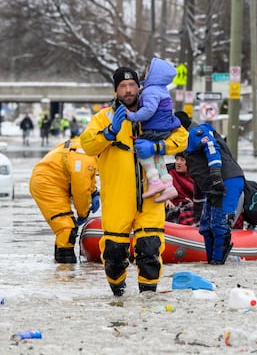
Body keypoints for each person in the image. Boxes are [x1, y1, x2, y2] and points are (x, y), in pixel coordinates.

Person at [80, 66, 188, 296]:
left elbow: (182, 138)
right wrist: (110, 132)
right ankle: (118, 295)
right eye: (122, 86)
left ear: (139, 87)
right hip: (118, 199)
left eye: (131, 85)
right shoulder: (103, 118)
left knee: (150, 249)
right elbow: (88, 144)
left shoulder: (156, 112)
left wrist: (158, 146)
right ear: (116, 90)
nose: (128, 90)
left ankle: (147, 300)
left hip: (152, 198)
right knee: (114, 253)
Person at [29, 137, 99, 263]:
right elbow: (80, 189)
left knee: (67, 228)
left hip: (51, 180)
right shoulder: (85, 156)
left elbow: (86, 176)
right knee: (66, 228)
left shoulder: (87, 148)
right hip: (47, 183)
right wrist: (83, 213)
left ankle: (63, 268)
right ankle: (65, 272)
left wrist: (93, 192)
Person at [185, 122, 245, 265]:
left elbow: (211, 147)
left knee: (219, 224)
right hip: (212, 185)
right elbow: (198, 179)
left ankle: (218, 262)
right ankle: (211, 261)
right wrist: (198, 209)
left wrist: (216, 174)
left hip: (227, 180)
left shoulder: (195, 133)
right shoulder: (188, 152)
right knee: (205, 227)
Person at [125, 58, 181, 203]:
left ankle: (154, 182)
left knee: (143, 152)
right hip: (163, 129)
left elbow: (149, 110)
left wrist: (133, 116)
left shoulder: (151, 91)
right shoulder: (161, 89)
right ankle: (168, 186)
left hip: (154, 128)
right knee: (158, 157)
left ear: (156, 74)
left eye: (149, 70)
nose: (146, 73)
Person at [164, 153, 195, 225]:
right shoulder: (168, 174)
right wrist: (166, 199)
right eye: (177, 159)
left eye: (182, 160)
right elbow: (157, 188)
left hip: (190, 207)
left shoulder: (195, 177)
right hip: (172, 207)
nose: (178, 162)